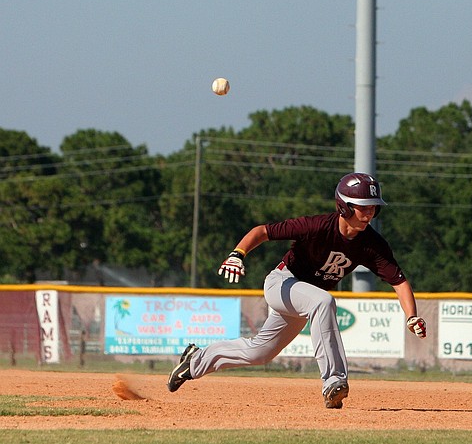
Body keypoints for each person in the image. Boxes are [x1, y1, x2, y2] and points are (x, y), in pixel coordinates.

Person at [166, 172, 427, 409]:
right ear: (343, 206)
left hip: (305, 298)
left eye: (373, 208)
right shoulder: (315, 226)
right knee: (323, 301)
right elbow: (262, 231)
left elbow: (399, 281)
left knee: (259, 353)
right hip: (282, 283)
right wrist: (237, 254)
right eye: (363, 207)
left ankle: (196, 361)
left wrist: (411, 316)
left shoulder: (372, 244)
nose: (369, 213)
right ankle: (333, 382)